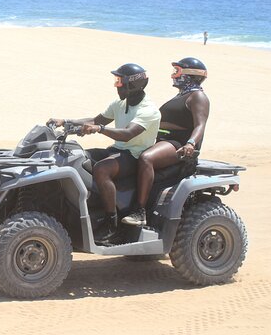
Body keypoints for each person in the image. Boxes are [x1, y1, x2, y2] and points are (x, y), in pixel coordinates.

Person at [48, 63, 161, 245]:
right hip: (118, 150)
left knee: (102, 169)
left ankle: (111, 223)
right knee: (80, 157)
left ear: (132, 85)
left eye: (119, 81)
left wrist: (99, 129)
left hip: (134, 155)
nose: (116, 86)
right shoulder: (120, 103)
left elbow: (127, 134)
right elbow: (95, 119)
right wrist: (66, 121)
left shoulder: (148, 110)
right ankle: (91, 206)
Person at [122, 57, 210, 226]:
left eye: (176, 71)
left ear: (190, 75)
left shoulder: (198, 96)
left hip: (178, 144)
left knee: (146, 158)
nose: (173, 76)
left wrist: (190, 143)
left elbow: (200, 125)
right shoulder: (181, 96)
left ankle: (140, 211)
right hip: (163, 141)